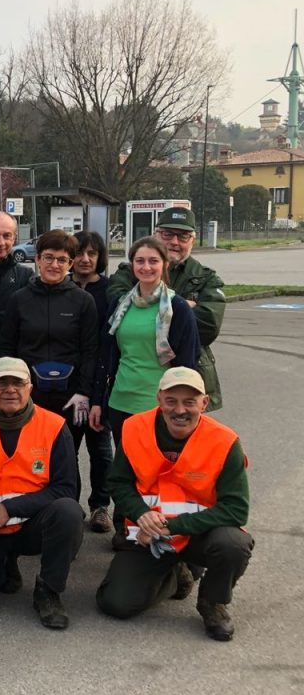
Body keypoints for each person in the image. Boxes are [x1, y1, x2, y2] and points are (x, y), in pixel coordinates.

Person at [96, 368, 252, 641]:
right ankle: (176, 574)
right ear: (159, 399)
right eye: (171, 401)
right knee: (115, 603)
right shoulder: (134, 428)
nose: (180, 410)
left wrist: (171, 527)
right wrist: (141, 514)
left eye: (189, 402)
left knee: (233, 544)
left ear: (204, 402)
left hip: (198, 536)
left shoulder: (225, 441)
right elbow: (118, 483)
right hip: (147, 537)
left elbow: (236, 509)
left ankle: (212, 603)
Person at [0, 357, 83, 629]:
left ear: (30, 388)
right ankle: (1, 566)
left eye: (17, 383)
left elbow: (66, 489)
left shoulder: (54, 426)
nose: (10, 389)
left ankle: (48, 590)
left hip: (31, 526)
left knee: (69, 512)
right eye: (1, 383)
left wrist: (9, 509)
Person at [0, 228, 98, 473]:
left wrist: (84, 392)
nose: (54, 265)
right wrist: (10, 388)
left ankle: (68, 499)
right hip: (30, 394)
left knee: (66, 457)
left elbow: (90, 350)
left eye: (62, 260)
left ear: (70, 264)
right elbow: (7, 348)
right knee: (30, 456)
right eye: (49, 257)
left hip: (70, 396)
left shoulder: (83, 301)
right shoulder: (19, 300)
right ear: (38, 259)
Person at [107, 206, 226, 411]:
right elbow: (115, 302)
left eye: (183, 236)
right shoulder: (130, 271)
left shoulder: (206, 278)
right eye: (167, 234)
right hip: (129, 385)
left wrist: (167, 308)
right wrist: (182, 307)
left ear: (193, 240)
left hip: (187, 382)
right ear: (156, 235)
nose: (174, 242)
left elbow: (208, 326)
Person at [91, 236, 200, 447]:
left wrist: (182, 407)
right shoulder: (120, 305)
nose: (146, 267)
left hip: (159, 406)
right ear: (132, 265)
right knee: (125, 464)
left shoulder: (178, 308)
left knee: (156, 465)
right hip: (120, 402)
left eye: (153, 261)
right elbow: (105, 356)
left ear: (165, 265)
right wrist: (97, 401)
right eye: (140, 261)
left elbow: (188, 364)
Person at [71, 230, 116, 532]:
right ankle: (69, 504)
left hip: (101, 381)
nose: (85, 259)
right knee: (67, 449)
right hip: (68, 384)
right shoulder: (61, 287)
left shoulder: (110, 291)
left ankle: (100, 506)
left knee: (100, 450)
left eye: (92, 253)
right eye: (79, 253)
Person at [0, 210, 34, 345]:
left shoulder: (26, 276)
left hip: (14, 353)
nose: (1, 242)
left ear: (14, 239)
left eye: (7, 236)